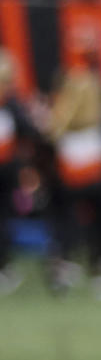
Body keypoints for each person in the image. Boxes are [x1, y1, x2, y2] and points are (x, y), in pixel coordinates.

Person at [47, 45, 101, 297]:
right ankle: (79, 263)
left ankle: (89, 264)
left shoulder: (84, 82)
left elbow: (56, 126)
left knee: (86, 216)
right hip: (81, 152)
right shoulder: (81, 81)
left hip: (84, 151)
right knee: (77, 216)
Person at [0, 50, 43, 295]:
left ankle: (3, 264)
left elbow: (28, 130)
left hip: (6, 172)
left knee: (4, 218)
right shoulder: (11, 103)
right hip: (6, 170)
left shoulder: (12, 104)